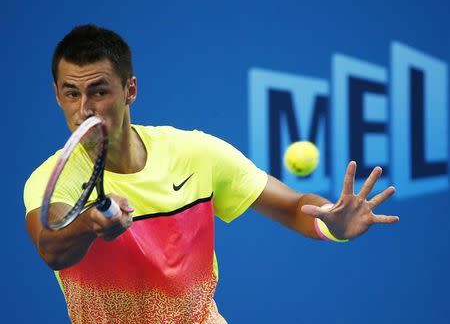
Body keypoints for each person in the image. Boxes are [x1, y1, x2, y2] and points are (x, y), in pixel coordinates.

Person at [24, 24, 398, 324]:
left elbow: (291, 205)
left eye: (99, 91)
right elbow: (51, 246)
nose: (84, 109)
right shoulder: (51, 180)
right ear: (57, 95)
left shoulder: (195, 153)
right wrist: (90, 223)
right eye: (71, 94)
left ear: (130, 90)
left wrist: (332, 223)